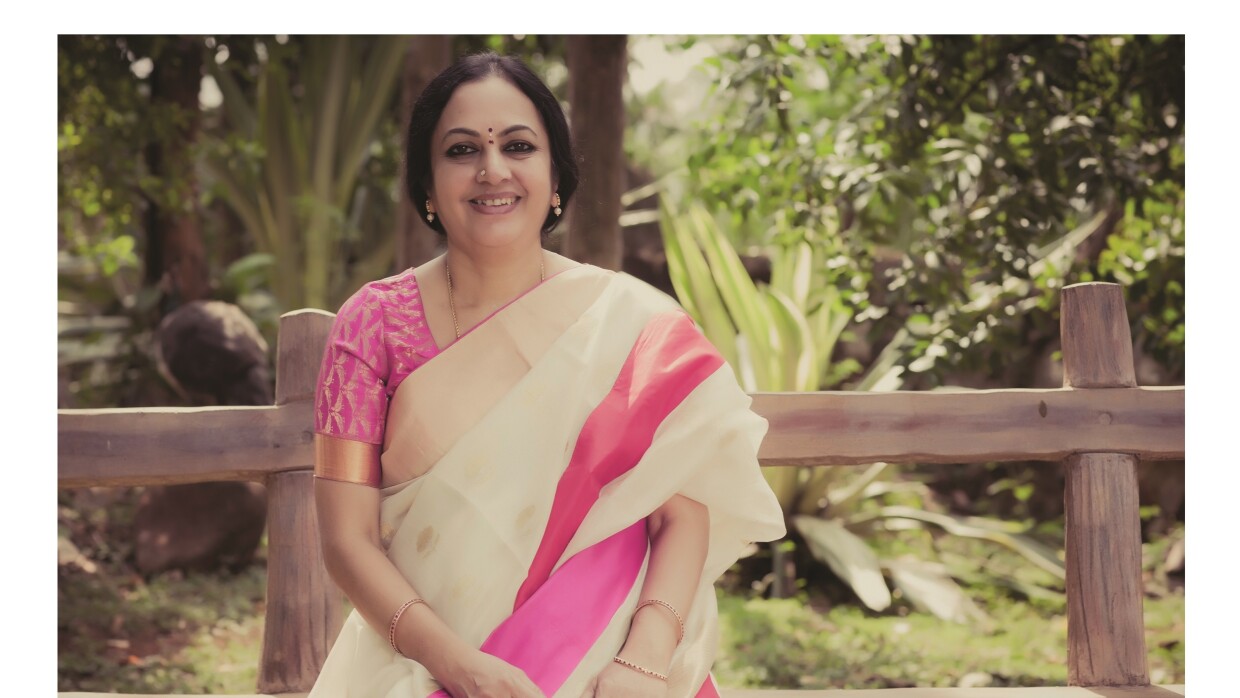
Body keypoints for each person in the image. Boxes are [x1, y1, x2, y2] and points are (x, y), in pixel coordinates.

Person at [308, 51, 785, 698]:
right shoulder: (372, 324)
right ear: (426, 182)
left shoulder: (630, 321)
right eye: (461, 150)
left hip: (611, 665)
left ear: (555, 175)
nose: (492, 169)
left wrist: (642, 663)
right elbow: (346, 540)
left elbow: (680, 515)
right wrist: (458, 667)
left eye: (519, 145)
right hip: (423, 665)